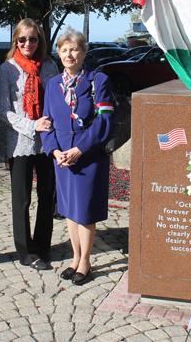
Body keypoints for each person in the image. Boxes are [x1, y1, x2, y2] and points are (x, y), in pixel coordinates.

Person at [41, 31, 114, 285]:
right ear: (58, 53)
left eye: (74, 50)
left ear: (84, 52)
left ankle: (85, 262)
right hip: (62, 158)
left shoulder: (99, 80)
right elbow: (46, 122)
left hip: (88, 156)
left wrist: (79, 149)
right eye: (64, 50)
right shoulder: (52, 85)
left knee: (85, 212)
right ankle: (74, 258)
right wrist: (54, 151)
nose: (69, 55)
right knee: (70, 211)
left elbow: (105, 121)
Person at [0, 18, 58, 270]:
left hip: (47, 142)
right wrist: (33, 125)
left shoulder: (50, 66)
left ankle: (42, 247)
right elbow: (3, 110)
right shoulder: (7, 69)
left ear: (39, 41)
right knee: (21, 199)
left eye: (33, 39)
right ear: (16, 41)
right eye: (22, 39)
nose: (28, 43)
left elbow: (58, 101)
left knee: (47, 196)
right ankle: (25, 251)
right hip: (19, 142)